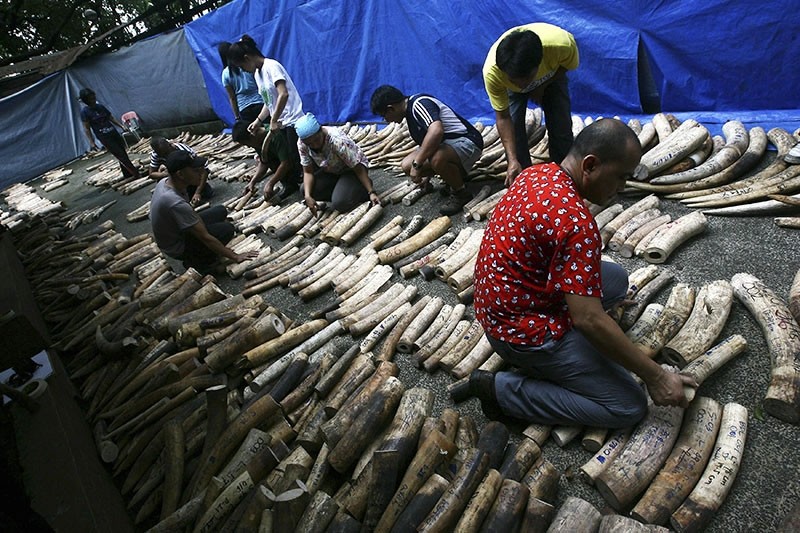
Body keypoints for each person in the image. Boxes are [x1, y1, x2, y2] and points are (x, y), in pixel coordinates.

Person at [471, 118, 696, 429]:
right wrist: (656, 376)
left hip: (501, 302)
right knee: (627, 406)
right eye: (620, 178)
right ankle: (502, 391)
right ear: (590, 166)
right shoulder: (577, 224)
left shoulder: (537, 173)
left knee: (615, 279)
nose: (621, 189)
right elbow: (588, 320)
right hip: (520, 333)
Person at [483, 23, 579, 185]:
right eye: (515, 81)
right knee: (514, 131)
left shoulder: (561, 45)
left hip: (551, 78)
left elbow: (566, 66)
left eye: (525, 81)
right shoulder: (494, 73)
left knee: (560, 125)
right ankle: (524, 178)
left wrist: (542, 86)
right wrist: (512, 159)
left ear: (539, 63)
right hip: (515, 81)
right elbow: (503, 117)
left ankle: (565, 176)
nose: (522, 86)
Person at [370, 85, 485, 215]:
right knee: (406, 165)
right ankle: (455, 177)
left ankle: (461, 192)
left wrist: (418, 164)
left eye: (383, 116)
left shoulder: (419, 104)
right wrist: (426, 177)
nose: (385, 121)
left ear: (391, 108)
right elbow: (429, 146)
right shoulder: (409, 114)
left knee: (435, 159)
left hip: (468, 142)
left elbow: (436, 131)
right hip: (449, 146)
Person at [149, 151, 256, 273]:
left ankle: (201, 250)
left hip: (178, 230)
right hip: (178, 246)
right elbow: (205, 237)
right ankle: (200, 263)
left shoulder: (167, 182)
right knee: (227, 229)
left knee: (220, 211)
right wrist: (235, 256)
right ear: (180, 174)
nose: (201, 172)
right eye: (195, 170)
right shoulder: (174, 202)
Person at [295, 112, 379, 216]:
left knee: (340, 204)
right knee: (305, 190)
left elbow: (357, 166)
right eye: (310, 143)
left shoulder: (337, 141)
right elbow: (308, 171)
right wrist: (307, 196)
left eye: (316, 140)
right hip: (332, 170)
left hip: (352, 170)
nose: (314, 145)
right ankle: (343, 191)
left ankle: (360, 188)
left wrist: (371, 192)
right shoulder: (302, 144)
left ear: (321, 130)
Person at [226, 35, 304, 139]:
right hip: (281, 125)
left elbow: (283, 94)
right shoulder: (258, 74)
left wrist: (273, 120)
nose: (243, 71)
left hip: (293, 122)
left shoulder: (271, 66)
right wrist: (258, 120)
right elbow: (269, 102)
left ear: (247, 58)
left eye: (242, 66)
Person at [231, 120, 302, 201]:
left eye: (247, 144)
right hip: (284, 160)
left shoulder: (275, 134)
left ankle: (297, 178)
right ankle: (289, 185)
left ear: (251, 136)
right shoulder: (256, 141)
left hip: (296, 159)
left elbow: (286, 163)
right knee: (271, 160)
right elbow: (264, 161)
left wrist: (271, 183)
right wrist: (253, 181)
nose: (248, 147)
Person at [78, 87, 139, 178]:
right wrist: (92, 142)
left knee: (122, 152)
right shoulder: (85, 112)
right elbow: (87, 128)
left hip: (112, 132)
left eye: (94, 97)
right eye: (91, 99)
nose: (94, 100)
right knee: (120, 154)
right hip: (104, 136)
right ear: (86, 100)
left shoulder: (100, 107)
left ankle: (127, 173)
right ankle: (135, 173)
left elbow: (110, 117)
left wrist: (121, 126)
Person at [148, 137, 213, 205]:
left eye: (166, 153)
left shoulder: (184, 150)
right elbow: (152, 174)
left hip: (184, 177)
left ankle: (190, 191)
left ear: (170, 145)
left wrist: (197, 192)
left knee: (207, 192)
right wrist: (167, 174)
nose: (166, 156)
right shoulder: (156, 154)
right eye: (162, 154)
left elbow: (203, 170)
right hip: (174, 179)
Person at [219, 42, 264, 124]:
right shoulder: (246, 65)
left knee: (252, 133)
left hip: (244, 107)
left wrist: (237, 117)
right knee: (266, 128)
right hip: (259, 102)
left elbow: (232, 98)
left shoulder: (225, 74)